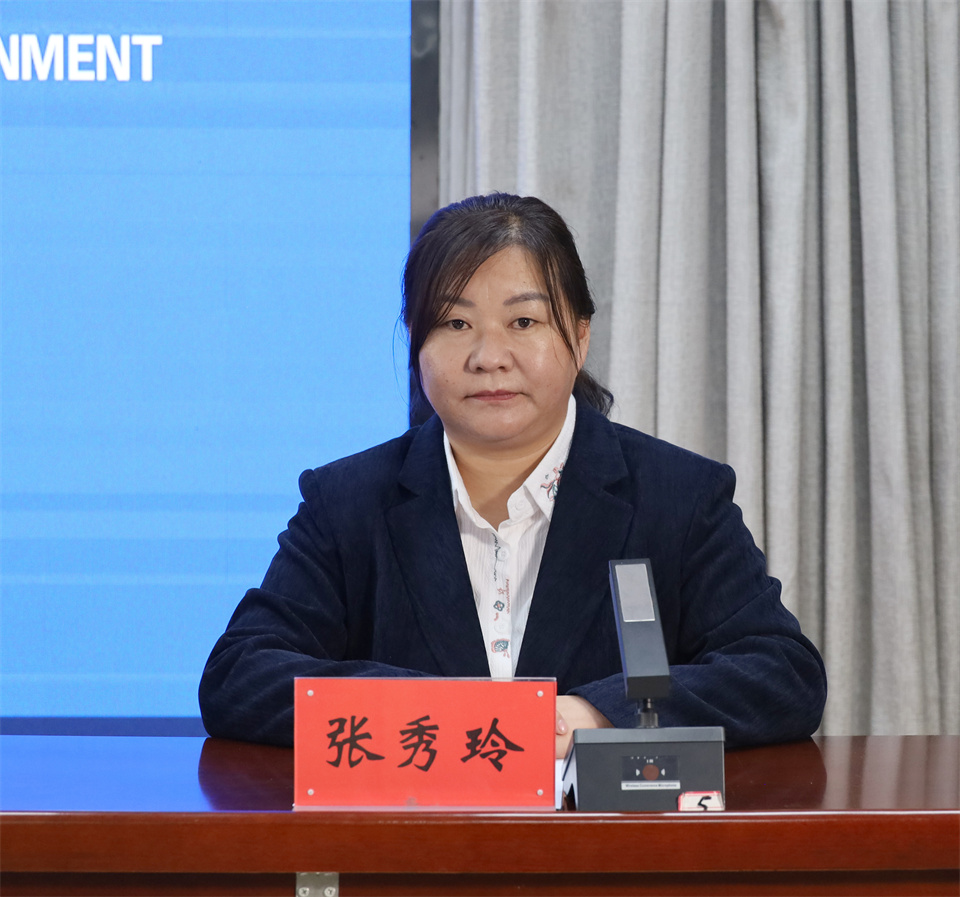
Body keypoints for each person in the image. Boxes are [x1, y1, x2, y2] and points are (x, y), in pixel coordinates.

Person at [199, 193, 826, 758]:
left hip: (601, 844)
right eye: (456, 324)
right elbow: (241, 677)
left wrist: (594, 715)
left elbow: (780, 674)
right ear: (416, 342)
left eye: (523, 322)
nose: (488, 356)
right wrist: (444, 715)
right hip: (416, 843)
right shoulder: (346, 503)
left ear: (579, 337)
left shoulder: (679, 497)